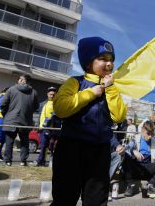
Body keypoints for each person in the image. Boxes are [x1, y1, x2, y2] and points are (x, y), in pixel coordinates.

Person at [51, 36, 127, 206]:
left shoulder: (111, 88)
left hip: (100, 150)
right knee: (64, 197)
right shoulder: (75, 82)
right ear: (88, 62)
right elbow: (61, 108)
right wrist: (91, 93)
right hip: (71, 147)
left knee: (96, 199)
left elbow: (119, 116)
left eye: (111, 60)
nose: (109, 64)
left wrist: (111, 89)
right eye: (102, 59)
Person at [123, 120, 155, 197]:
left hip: (148, 168)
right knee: (126, 156)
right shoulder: (135, 139)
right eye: (148, 133)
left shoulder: (154, 140)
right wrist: (133, 151)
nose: (150, 136)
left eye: (151, 134)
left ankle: (151, 184)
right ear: (143, 131)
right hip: (137, 168)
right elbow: (126, 149)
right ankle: (130, 186)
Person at [1, 74, 39, 166]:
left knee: (9, 142)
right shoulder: (33, 92)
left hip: (11, 120)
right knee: (24, 142)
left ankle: (8, 161)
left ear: (20, 80)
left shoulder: (11, 89)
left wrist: (6, 116)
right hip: (25, 121)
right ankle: (23, 161)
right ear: (28, 82)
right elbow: (36, 107)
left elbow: (3, 105)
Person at [32, 86, 57, 166]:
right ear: (47, 94)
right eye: (50, 94)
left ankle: (45, 161)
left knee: (49, 146)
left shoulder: (57, 104)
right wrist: (37, 125)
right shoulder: (43, 103)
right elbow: (40, 115)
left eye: (53, 94)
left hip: (51, 129)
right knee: (43, 145)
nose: (52, 96)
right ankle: (41, 161)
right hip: (42, 128)